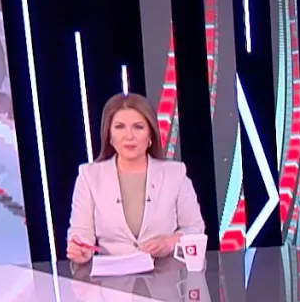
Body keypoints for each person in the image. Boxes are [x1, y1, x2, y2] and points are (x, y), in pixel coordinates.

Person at [66, 93, 205, 264]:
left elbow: (195, 228)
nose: (129, 136)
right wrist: (81, 249)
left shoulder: (175, 174)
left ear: (150, 134)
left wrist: (169, 243)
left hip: (166, 275)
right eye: (119, 127)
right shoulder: (89, 176)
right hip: (112, 276)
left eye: (138, 127)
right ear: (109, 135)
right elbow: (81, 233)